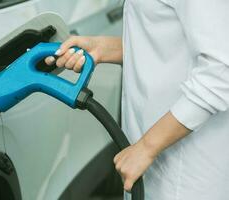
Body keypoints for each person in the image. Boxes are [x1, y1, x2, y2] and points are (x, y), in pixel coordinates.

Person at [46, 0, 229, 199]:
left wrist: (147, 147)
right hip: (151, 164)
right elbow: (169, 39)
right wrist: (103, 48)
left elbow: (221, 72)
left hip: (185, 177)